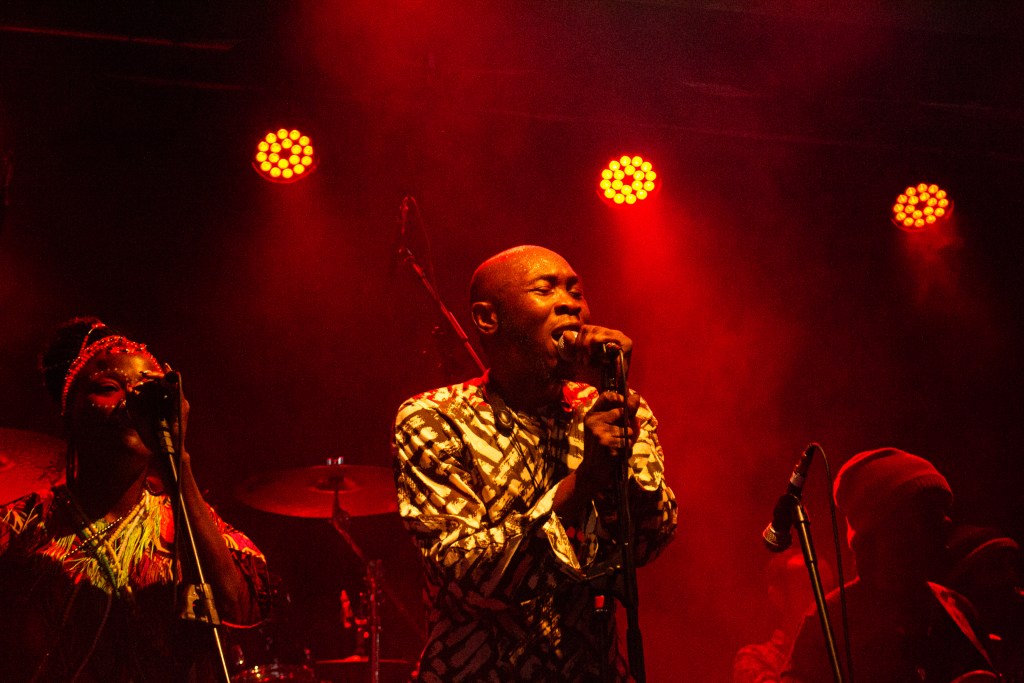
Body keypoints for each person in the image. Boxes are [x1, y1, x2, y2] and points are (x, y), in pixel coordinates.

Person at [392, 245, 677, 681]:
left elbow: (647, 543)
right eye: (545, 290)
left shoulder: (613, 411)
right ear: (489, 318)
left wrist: (615, 423)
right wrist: (583, 483)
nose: (570, 303)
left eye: (576, 292)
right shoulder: (435, 418)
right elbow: (466, 575)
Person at [0, 317, 272, 681]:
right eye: (109, 387)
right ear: (71, 412)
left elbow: (234, 606)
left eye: (145, 391)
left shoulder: (185, 523)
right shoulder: (19, 528)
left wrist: (177, 458)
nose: (131, 401)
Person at [782, 447, 996, 683]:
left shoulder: (957, 609)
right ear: (886, 529)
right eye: (928, 511)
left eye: (945, 510)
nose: (946, 521)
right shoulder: (830, 622)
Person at [733, 548, 835, 683]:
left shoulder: (842, 651)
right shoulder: (754, 660)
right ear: (778, 598)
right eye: (809, 587)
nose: (824, 597)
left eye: (828, 587)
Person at [946, 524, 1024, 682]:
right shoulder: (950, 645)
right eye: (996, 566)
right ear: (967, 579)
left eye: (1011, 565)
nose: (1010, 576)